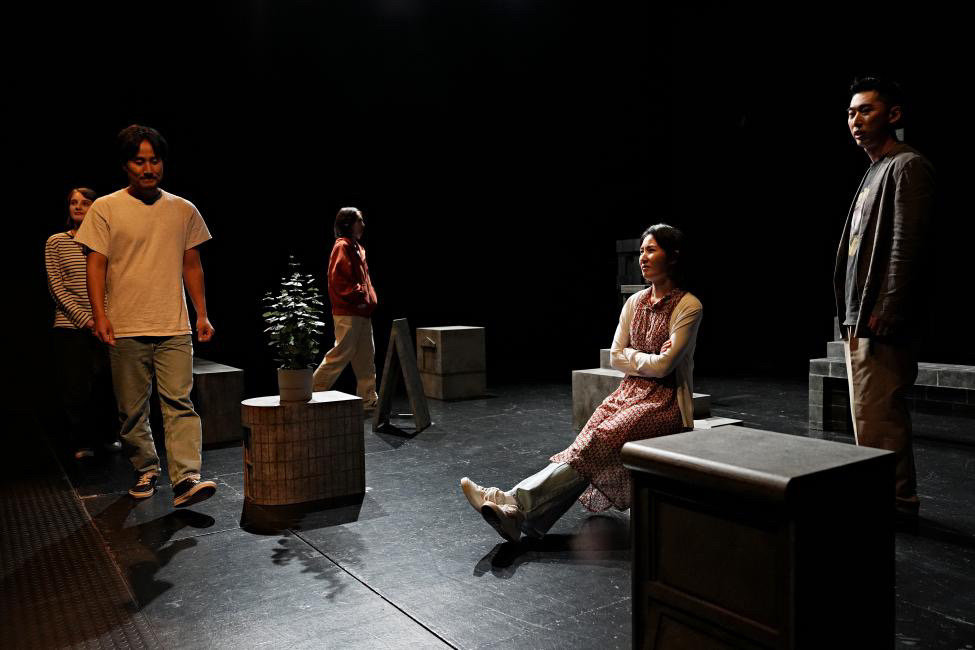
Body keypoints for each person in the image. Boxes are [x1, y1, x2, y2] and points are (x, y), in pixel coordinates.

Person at [461, 224, 703, 542]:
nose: (643, 257)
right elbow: (616, 356)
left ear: (672, 257)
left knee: (598, 440)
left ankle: (513, 502)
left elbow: (665, 367)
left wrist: (637, 356)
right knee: (585, 444)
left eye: (651, 250)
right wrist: (647, 357)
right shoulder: (634, 303)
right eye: (641, 250)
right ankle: (517, 516)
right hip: (629, 393)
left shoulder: (688, 306)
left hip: (665, 402)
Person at [75, 125, 218, 508]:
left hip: (174, 324)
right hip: (126, 325)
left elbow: (192, 264)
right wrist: (100, 315)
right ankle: (146, 469)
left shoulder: (183, 209)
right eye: (139, 161)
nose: (148, 168)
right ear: (126, 165)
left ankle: (186, 477)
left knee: (179, 403)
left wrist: (202, 314)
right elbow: (96, 265)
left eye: (154, 160)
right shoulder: (105, 208)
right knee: (132, 409)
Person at [834, 77, 934, 521]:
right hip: (860, 315)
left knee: (880, 414)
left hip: (880, 317)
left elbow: (907, 245)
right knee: (867, 415)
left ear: (893, 115)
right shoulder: (874, 169)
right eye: (851, 113)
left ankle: (897, 505)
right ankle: (881, 498)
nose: (855, 120)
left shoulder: (907, 166)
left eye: (866, 110)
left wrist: (888, 308)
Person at [45, 188, 120, 460]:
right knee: (76, 387)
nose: (78, 207)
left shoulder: (106, 242)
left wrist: (104, 318)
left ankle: (109, 436)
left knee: (107, 384)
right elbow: (57, 288)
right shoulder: (56, 242)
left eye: (85, 203)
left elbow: (113, 284)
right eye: (73, 203)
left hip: (106, 324)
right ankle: (82, 441)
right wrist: (88, 320)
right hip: (70, 326)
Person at [312, 207, 380, 411]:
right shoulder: (342, 246)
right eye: (359, 221)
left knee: (366, 356)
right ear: (348, 223)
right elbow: (339, 279)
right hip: (349, 311)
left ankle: (368, 398)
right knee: (341, 353)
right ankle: (313, 390)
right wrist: (360, 295)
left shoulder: (356, 247)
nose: (363, 225)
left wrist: (368, 299)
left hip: (362, 312)